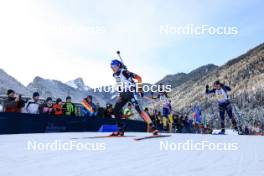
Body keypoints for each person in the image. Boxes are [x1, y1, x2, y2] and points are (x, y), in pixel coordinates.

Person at [110, 59, 159, 136]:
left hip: (131, 93)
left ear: (118, 65)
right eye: (111, 67)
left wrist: (139, 90)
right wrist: (120, 94)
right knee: (115, 110)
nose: (112, 68)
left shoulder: (124, 72)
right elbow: (120, 85)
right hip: (123, 95)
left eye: (114, 66)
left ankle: (153, 128)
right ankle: (120, 129)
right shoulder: (115, 75)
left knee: (140, 111)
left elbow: (139, 78)